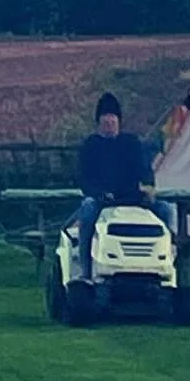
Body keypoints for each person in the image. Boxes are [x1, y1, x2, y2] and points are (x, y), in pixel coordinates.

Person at [75, 92, 153, 280]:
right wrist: (98, 193)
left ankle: (169, 260)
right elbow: (83, 179)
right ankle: (86, 268)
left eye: (112, 120)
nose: (109, 124)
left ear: (118, 121)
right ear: (99, 123)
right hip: (101, 200)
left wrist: (149, 186)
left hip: (131, 198)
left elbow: (144, 169)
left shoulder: (132, 143)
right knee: (87, 210)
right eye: (105, 121)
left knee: (167, 210)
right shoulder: (90, 146)